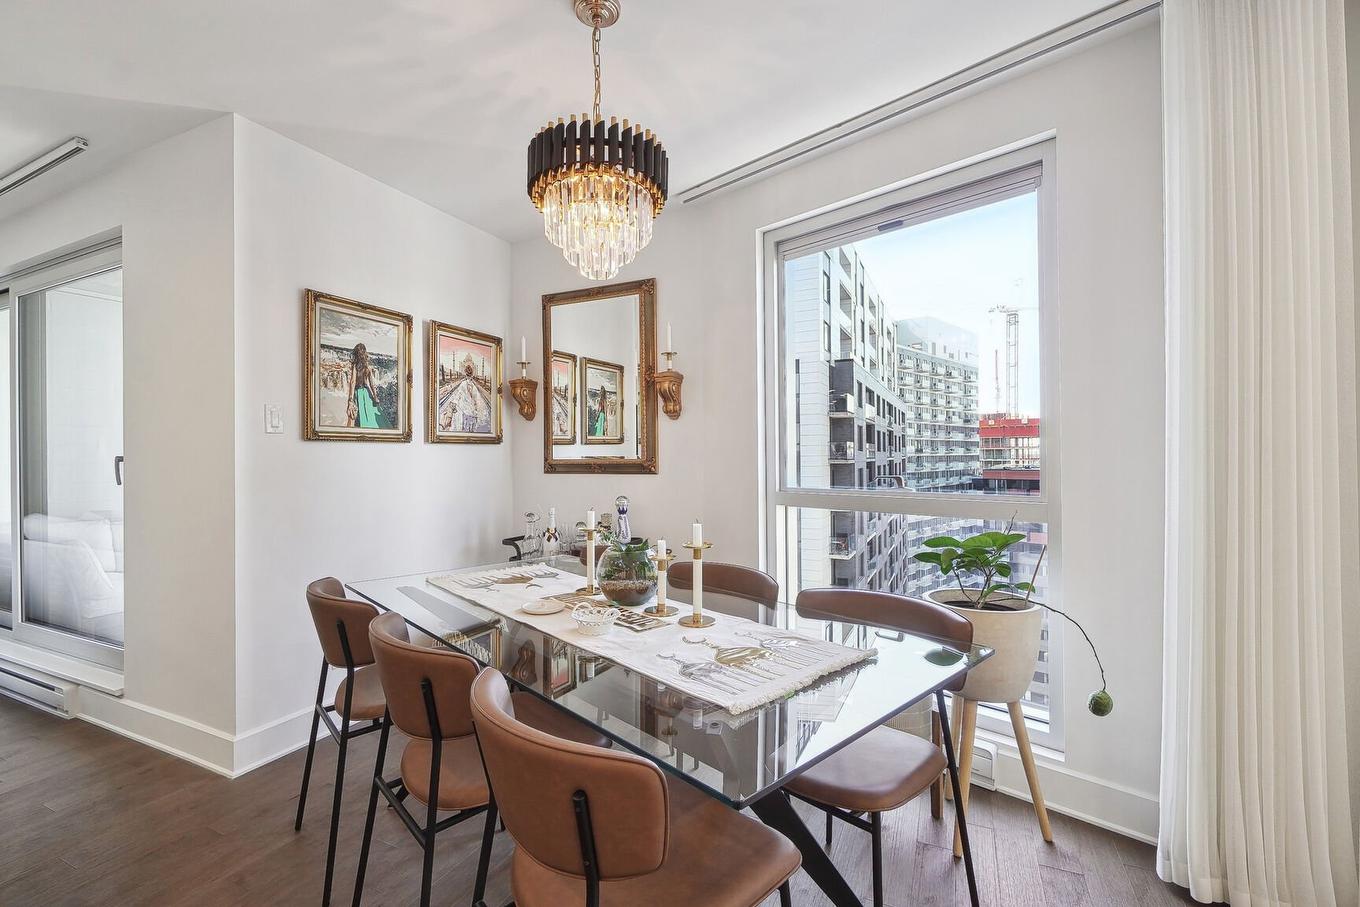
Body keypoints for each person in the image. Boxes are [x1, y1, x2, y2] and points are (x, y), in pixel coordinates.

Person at [347, 343, 381, 429]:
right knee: (368, 418)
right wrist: (375, 396)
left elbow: (353, 382)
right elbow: (372, 384)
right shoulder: (368, 367)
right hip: (367, 393)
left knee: (354, 417)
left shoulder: (355, 366)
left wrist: (350, 400)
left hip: (358, 393)